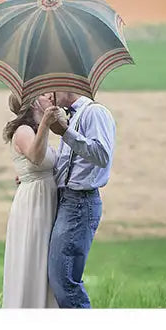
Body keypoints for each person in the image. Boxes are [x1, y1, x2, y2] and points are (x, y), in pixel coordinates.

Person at [46, 92, 116, 309]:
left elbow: (102, 156)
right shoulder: (73, 116)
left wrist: (65, 133)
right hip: (68, 201)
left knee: (63, 279)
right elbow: (68, 166)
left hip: (79, 203)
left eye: (52, 89)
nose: (48, 96)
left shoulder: (95, 112)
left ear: (67, 87)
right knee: (59, 277)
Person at [1, 92, 63, 308]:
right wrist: (46, 123)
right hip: (33, 205)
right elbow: (36, 158)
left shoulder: (36, 131)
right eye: (44, 95)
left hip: (46, 200)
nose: (50, 96)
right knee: (32, 258)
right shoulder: (23, 131)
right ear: (34, 102)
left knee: (45, 261)